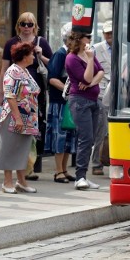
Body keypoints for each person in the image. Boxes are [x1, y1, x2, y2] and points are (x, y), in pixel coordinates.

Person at [0, 12, 52, 179]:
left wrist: (40, 55)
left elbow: (54, 64)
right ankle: (16, 176)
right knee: (14, 137)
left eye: (30, 24)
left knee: (30, 135)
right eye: (23, 24)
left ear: (35, 26)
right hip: (16, 96)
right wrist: (0, 94)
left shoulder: (41, 42)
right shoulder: (11, 45)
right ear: (18, 25)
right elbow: (4, 70)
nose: (26, 27)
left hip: (34, 96)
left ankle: (28, 169)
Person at [0, 42, 40, 194]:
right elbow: (10, 95)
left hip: (26, 117)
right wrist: (18, 118)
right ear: (24, 56)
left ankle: (21, 181)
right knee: (9, 148)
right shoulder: (13, 71)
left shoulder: (24, 71)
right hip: (14, 116)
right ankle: (7, 182)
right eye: (31, 54)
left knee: (22, 149)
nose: (33, 56)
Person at [65, 31, 104, 191]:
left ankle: (84, 176)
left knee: (91, 139)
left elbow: (100, 72)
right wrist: (89, 60)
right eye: (87, 37)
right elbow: (86, 77)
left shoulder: (89, 54)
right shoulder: (72, 58)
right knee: (85, 138)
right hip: (80, 101)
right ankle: (80, 177)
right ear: (79, 39)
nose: (90, 40)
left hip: (94, 100)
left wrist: (91, 84)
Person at [45, 22, 76, 184]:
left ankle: (64, 169)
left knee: (69, 136)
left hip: (68, 102)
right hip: (60, 102)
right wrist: (67, 89)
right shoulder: (60, 54)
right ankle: (58, 171)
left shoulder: (71, 54)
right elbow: (52, 78)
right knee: (60, 136)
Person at [91, 20, 112, 176]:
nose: (109, 35)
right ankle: (96, 162)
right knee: (101, 129)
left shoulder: (124, 48)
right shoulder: (96, 49)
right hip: (102, 92)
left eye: (111, 32)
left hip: (119, 94)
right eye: (107, 33)